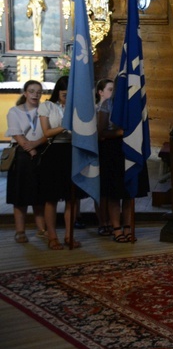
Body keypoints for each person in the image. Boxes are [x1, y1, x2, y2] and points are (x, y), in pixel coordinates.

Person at [98, 77, 150, 242]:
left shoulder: (136, 104)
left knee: (129, 191)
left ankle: (128, 227)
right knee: (114, 193)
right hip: (113, 151)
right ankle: (116, 228)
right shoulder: (108, 104)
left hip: (132, 149)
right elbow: (101, 133)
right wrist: (121, 133)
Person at [38, 76, 85, 250]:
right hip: (54, 152)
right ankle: (52, 237)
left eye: (70, 94)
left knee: (71, 198)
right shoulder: (47, 106)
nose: (67, 98)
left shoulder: (75, 107)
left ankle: (68, 235)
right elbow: (47, 132)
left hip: (71, 151)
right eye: (65, 94)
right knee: (51, 198)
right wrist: (66, 125)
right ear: (58, 92)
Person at [5, 80, 48, 243]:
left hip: (41, 152)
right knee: (20, 196)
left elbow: (49, 131)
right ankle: (20, 231)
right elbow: (17, 134)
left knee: (40, 195)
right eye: (32, 91)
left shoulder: (45, 110)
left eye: (38, 92)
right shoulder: (15, 111)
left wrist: (36, 147)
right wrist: (31, 149)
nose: (35, 94)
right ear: (25, 93)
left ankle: (42, 229)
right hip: (22, 156)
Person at [93, 78, 114, 236]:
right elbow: (98, 133)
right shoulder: (95, 108)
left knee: (109, 187)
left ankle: (111, 221)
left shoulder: (113, 107)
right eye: (110, 89)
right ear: (100, 92)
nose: (112, 92)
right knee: (100, 189)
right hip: (98, 149)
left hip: (110, 149)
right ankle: (102, 221)